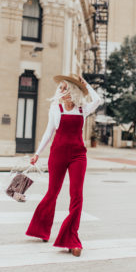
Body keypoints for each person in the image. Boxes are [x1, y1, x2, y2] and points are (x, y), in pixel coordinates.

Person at [26, 74, 101, 257]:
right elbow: (48, 132)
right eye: (60, 88)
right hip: (58, 154)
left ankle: (71, 239)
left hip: (78, 155)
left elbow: (98, 100)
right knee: (52, 193)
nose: (61, 91)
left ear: (72, 91)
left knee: (77, 196)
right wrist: (37, 153)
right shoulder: (56, 109)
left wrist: (85, 85)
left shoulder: (82, 109)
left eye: (65, 88)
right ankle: (41, 229)